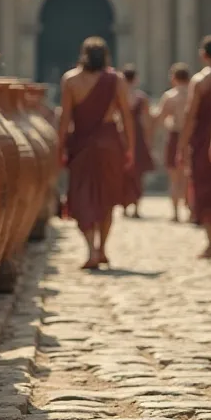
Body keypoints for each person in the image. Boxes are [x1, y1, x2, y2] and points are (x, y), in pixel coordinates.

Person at [57, 37, 135, 269]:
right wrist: (130, 146)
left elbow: (65, 119)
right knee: (107, 200)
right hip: (110, 145)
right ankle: (102, 249)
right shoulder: (117, 80)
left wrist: (60, 147)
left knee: (82, 198)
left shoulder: (70, 80)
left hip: (81, 145)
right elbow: (126, 116)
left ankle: (91, 249)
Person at [176, 37, 211, 258]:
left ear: (204, 55)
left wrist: (182, 144)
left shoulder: (199, 81)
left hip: (203, 141)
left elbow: (190, 115)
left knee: (205, 189)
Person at [152, 64, 191, 221]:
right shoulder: (193, 94)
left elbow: (160, 118)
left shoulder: (170, 96)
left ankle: (175, 213)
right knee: (189, 176)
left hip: (175, 135)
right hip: (191, 137)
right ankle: (191, 210)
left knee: (174, 177)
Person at [121, 64, 154, 218]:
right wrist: (148, 140)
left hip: (123, 136)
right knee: (137, 174)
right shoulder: (141, 97)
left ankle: (125, 207)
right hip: (138, 135)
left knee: (123, 173)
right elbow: (147, 121)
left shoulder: (118, 95)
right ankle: (135, 208)